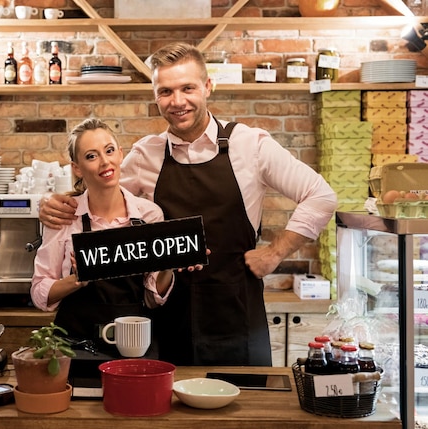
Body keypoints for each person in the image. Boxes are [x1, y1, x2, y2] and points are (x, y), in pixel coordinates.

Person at [38, 42, 338, 366]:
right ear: (155, 96)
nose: (177, 101)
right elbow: (99, 198)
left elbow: (321, 196)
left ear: (208, 87)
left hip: (237, 317)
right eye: (165, 91)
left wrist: (274, 252)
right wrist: (52, 204)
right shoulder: (144, 155)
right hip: (168, 321)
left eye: (187, 88)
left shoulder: (250, 145)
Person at [30, 117, 174, 345]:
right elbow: (39, 293)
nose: (105, 162)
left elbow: (152, 298)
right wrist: (76, 280)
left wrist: (169, 265)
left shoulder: (149, 216)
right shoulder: (66, 217)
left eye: (109, 151)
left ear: (120, 154)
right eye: (91, 156)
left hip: (133, 344)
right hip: (74, 346)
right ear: (77, 168)